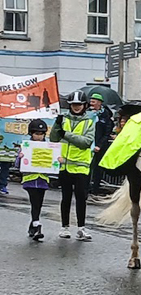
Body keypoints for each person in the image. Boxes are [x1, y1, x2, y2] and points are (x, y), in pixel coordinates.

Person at [50, 90, 95, 241]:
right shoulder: (63, 119)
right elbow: (54, 139)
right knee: (66, 197)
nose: (76, 107)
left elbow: (86, 142)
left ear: (85, 105)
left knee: (81, 197)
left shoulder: (89, 121)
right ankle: (64, 227)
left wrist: (66, 134)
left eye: (79, 104)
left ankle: (81, 228)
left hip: (81, 165)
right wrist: (57, 125)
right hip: (64, 164)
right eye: (74, 104)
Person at [20, 119, 50, 241]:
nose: (39, 136)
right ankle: (37, 225)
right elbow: (18, 164)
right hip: (30, 180)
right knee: (35, 202)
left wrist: (58, 161)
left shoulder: (49, 147)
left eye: (41, 134)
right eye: (36, 133)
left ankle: (33, 226)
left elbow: (53, 163)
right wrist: (20, 157)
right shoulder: (26, 146)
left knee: (38, 203)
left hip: (42, 180)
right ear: (31, 133)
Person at [88, 92, 114, 196]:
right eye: (91, 101)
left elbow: (107, 132)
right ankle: (85, 188)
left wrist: (99, 145)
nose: (91, 103)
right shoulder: (87, 113)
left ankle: (95, 188)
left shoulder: (105, 115)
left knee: (97, 169)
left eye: (93, 102)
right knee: (87, 168)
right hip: (87, 144)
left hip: (99, 146)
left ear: (99, 103)